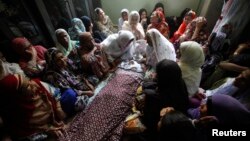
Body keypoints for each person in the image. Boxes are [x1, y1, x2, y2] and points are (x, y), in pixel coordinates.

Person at [0, 74, 65, 140]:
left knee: (70, 95)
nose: (32, 84)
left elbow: (55, 92)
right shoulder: (16, 114)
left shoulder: (36, 84)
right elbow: (25, 133)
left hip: (55, 115)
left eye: (28, 80)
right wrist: (47, 131)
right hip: (41, 131)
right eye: (27, 86)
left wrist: (58, 108)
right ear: (18, 96)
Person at [141, 59, 189, 140]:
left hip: (159, 128)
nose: (155, 74)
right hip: (175, 121)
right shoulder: (180, 83)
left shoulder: (153, 98)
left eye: (158, 73)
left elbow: (149, 118)